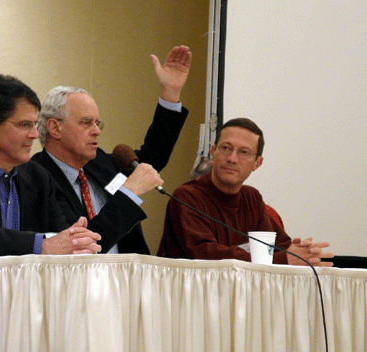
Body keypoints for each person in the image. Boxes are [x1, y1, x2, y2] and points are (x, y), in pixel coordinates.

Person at [30, 45, 191, 254]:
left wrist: (170, 93)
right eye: (86, 123)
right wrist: (129, 192)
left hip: (124, 281)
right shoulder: (36, 177)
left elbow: (153, 157)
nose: (96, 131)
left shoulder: (101, 163)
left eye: (98, 123)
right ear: (55, 128)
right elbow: (85, 245)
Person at [0, 74, 101, 256]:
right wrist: (40, 246)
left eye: (35, 124)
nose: (35, 134)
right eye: (25, 125)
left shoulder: (39, 177)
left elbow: (60, 238)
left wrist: (75, 239)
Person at [157, 117, 334, 266]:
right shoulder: (187, 197)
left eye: (244, 152)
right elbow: (207, 255)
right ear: (213, 151)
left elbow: (276, 247)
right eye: (225, 148)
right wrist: (283, 258)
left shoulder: (252, 197)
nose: (232, 158)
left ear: (257, 163)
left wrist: (300, 252)